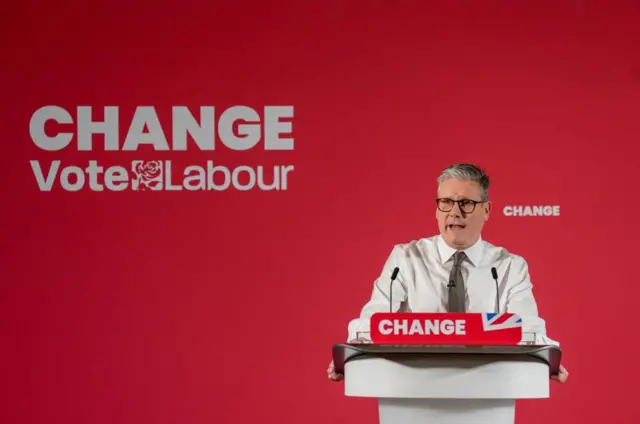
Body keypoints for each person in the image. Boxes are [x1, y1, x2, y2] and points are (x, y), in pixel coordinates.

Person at [327, 163, 568, 383]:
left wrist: (547, 357)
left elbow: (529, 330)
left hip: (488, 385)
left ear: (486, 210)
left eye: (466, 203)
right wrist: (352, 354)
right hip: (413, 385)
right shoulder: (406, 258)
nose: (454, 212)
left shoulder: (509, 267)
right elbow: (373, 321)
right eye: (446, 202)